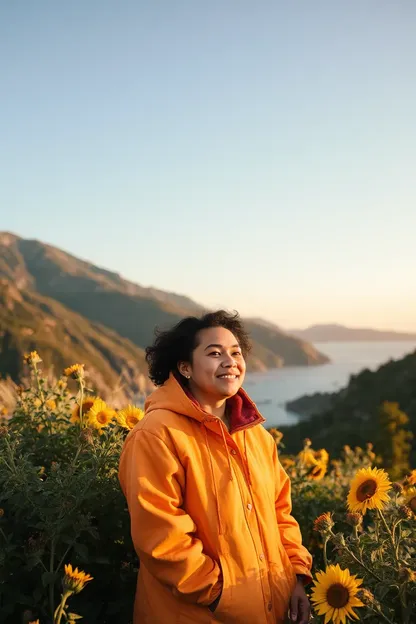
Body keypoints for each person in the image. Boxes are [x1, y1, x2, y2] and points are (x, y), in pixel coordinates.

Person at [119, 310, 312, 623]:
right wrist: (221, 595)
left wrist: (295, 577)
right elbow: (160, 537)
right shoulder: (156, 434)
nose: (230, 361)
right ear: (185, 367)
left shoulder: (256, 436)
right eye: (214, 353)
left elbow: (280, 514)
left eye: (236, 352)